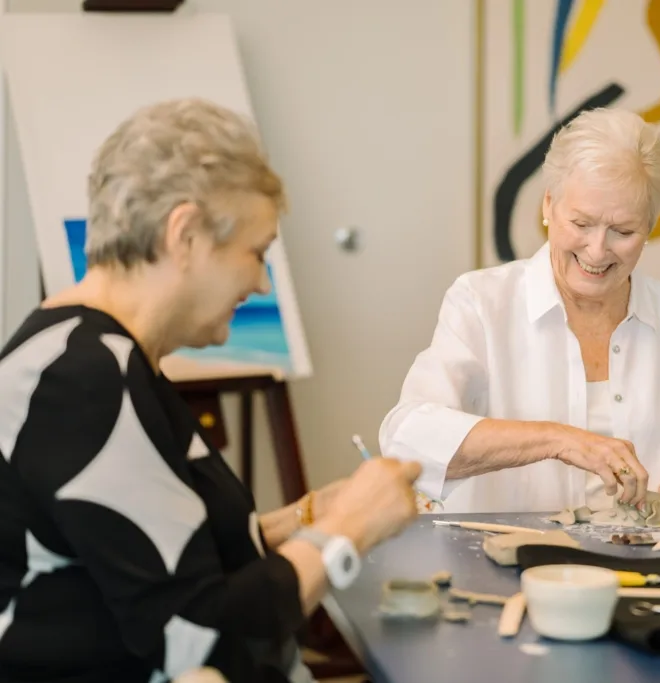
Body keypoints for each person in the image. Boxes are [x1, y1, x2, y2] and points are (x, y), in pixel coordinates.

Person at [0, 98, 421, 683]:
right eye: (256, 252)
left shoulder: (96, 355)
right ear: (187, 234)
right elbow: (199, 637)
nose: (260, 281)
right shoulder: (85, 381)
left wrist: (303, 517)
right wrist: (347, 530)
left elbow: (161, 553)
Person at [380, 107, 660, 519]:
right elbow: (407, 439)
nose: (597, 250)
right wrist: (559, 439)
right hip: (509, 571)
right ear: (549, 206)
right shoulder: (482, 303)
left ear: (650, 226)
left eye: (623, 231)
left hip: (649, 568)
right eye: (581, 223)